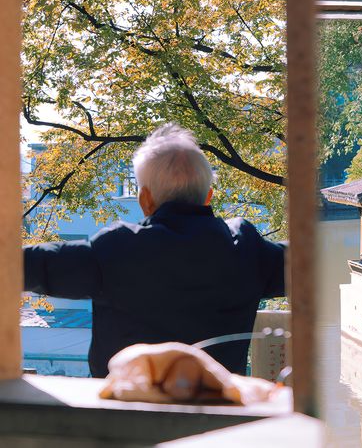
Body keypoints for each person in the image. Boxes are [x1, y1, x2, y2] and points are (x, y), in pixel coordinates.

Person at [22, 123, 286, 378]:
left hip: (128, 412)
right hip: (221, 412)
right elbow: (316, 264)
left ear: (144, 199)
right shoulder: (247, 249)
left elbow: (31, 265)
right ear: (208, 197)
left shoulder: (116, 250)